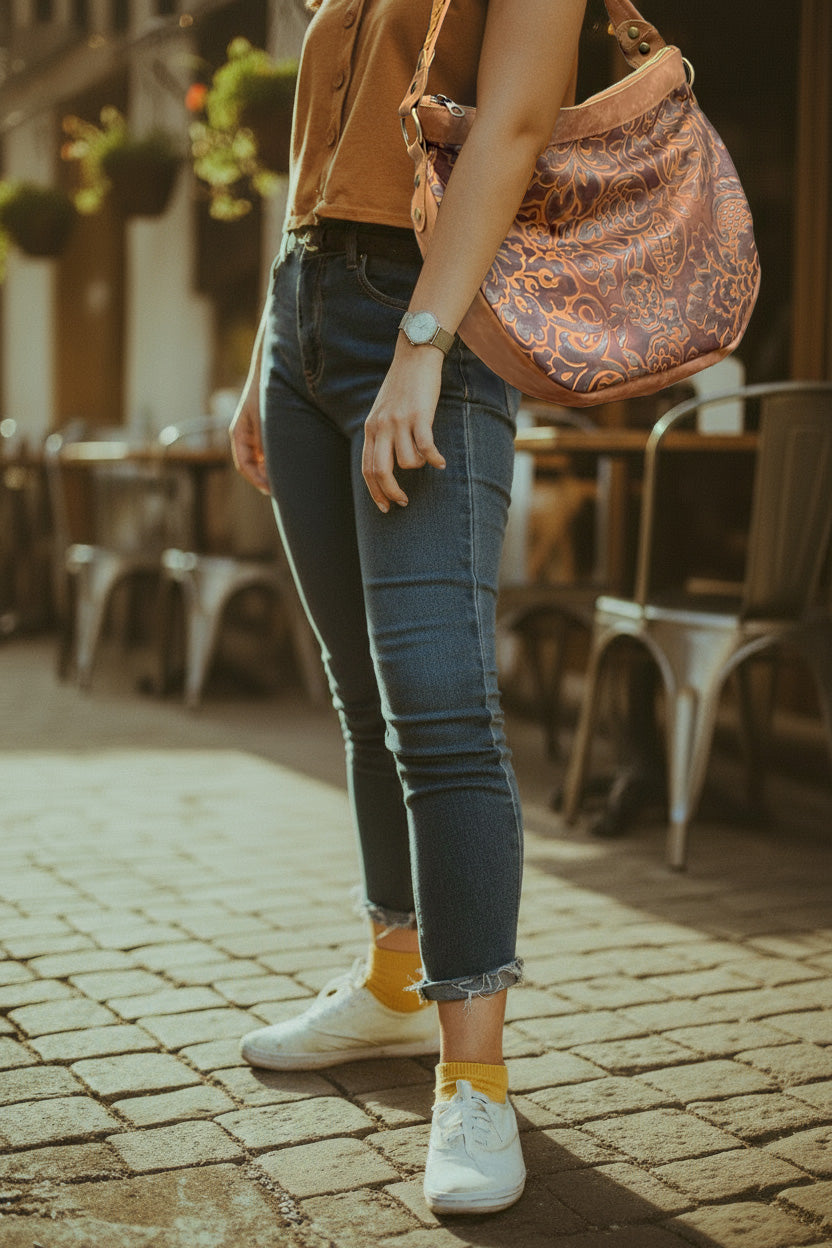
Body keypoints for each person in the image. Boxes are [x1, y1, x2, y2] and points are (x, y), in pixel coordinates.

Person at [230, 0, 586, 1215]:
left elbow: (520, 119)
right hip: (304, 315)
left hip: (434, 312)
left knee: (438, 696)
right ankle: (392, 985)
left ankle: (474, 1079)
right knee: (361, 687)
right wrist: (258, 358)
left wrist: (424, 343)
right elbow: (310, 167)